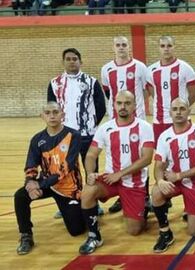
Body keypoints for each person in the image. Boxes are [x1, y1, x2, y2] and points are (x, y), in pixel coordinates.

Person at [78, 91, 154, 254]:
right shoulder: (106, 128)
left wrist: (120, 174)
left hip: (133, 182)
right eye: (119, 103)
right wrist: (91, 173)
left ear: (135, 106)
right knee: (87, 191)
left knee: (134, 230)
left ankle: (143, 205)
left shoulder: (144, 127)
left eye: (127, 103)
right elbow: (91, 154)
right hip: (110, 179)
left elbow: (147, 159)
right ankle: (94, 236)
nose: (123, 107)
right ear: (114, 105)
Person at [14, 102, 85, 255]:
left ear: (62, 115)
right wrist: (30, 183)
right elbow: (31, 165)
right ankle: (26, 235)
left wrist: (40, 185)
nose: (52, 116)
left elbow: (66, 168)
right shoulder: (37, 139)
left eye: (55, 112)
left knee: (77, 231)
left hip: (69, 188)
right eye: (48, 113)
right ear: (42, 116)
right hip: (46, 185)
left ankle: (79, 209)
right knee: (20, 196)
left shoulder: (73, 135)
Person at [48, 48, 106, 218]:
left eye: (75, 59)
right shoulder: (55, 83)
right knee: (67, 171)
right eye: (68, 59)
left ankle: (93, 202)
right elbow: (51, 108)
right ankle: (68, 203)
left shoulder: (91, 81)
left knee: (91, 169)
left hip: (87, 134)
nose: (72, 61)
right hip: (64, 136)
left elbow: (100, 106)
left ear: (81, 62)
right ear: (63, 62)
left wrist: (90, 124)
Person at [151, 98, 195, 253]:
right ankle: (165, 233)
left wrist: (178, 175)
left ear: (189, 111)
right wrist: (159, 180)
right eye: (175, 109)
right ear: (170, 112)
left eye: (182, 109)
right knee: (156, 192)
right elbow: (158, 165)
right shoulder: (164, 136)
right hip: (174, 182)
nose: (178, 112)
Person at [101, 36, 150, 214]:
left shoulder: (140, 67)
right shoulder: (106, 69)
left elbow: (146, 90)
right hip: (115, 123)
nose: (121, 48)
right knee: (118, 158)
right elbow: (108, 92)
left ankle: (145, 197)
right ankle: (122, 196)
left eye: (124, 45)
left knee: (140, 158)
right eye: (118, 45)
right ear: (113, 48)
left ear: (129, 47)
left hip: (138, 121)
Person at [146, 36, 195, 143]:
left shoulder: (185, 68)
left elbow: (194, 94)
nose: (166, 49)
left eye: (169, 46)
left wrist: (181, 109)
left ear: (174, 47)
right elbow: (154, 93)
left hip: (181, 119)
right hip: (159, 120)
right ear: (159, 48)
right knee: (162, 154)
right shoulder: (151, 70)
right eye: (163, 46)